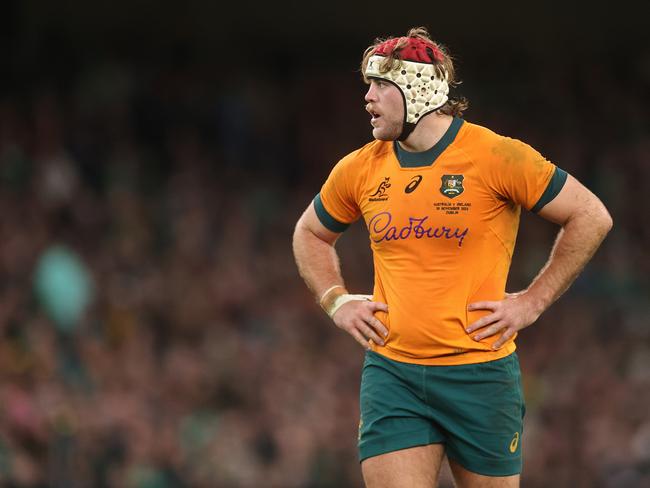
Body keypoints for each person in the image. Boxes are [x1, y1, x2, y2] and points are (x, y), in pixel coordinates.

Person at [292, 26, 612, 488]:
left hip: (481, 376)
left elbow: (590, 215)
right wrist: (336, 300)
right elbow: (310, 233)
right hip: (393, 374)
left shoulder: (497, 156)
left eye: (381, 84)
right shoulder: (360, 167)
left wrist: (532, 301)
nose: (368, 97)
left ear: (418, 89)